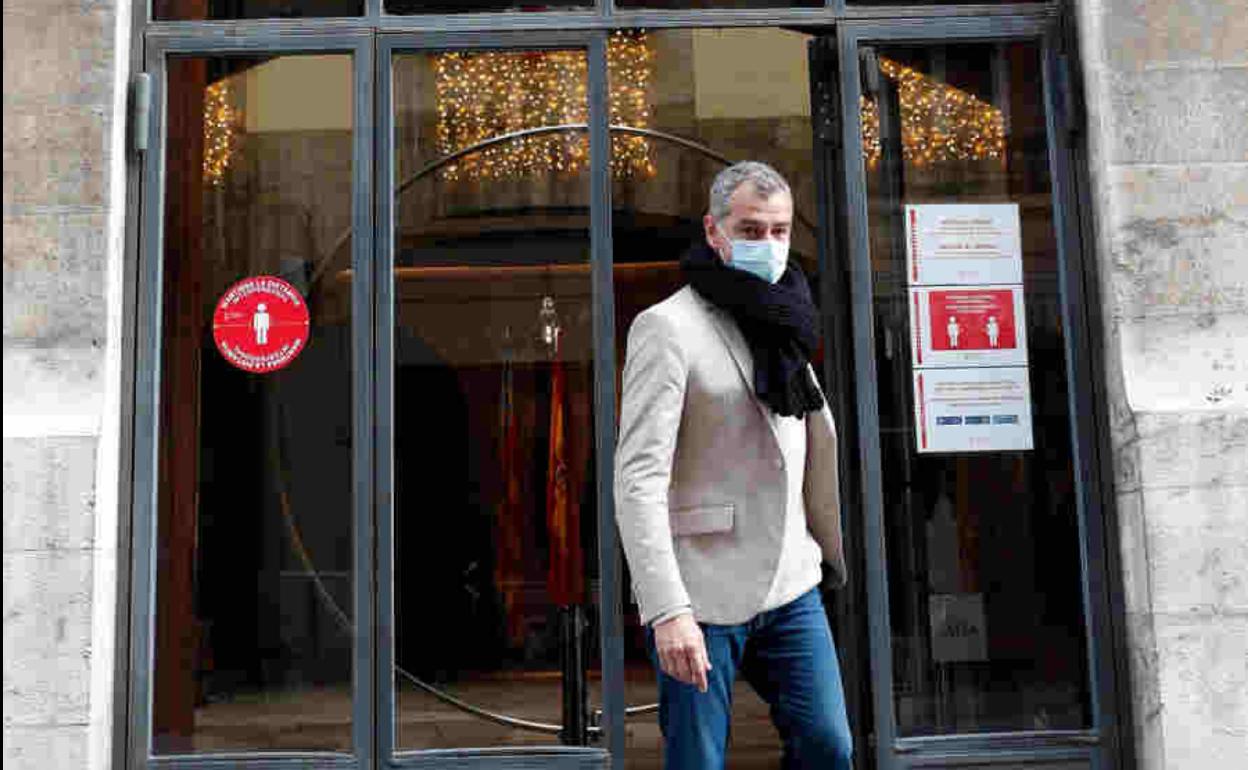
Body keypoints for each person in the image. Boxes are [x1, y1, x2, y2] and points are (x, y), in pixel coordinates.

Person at [615, 161, 852, 770]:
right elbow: (638, 479)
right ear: (714, 233)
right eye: (750, 230)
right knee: (698, 760)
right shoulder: (667, 328)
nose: (768, 246)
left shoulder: (789, 317)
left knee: (829, 744)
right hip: (703, 590)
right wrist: (667, 611)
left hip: (792, 578)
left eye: (779, 231)